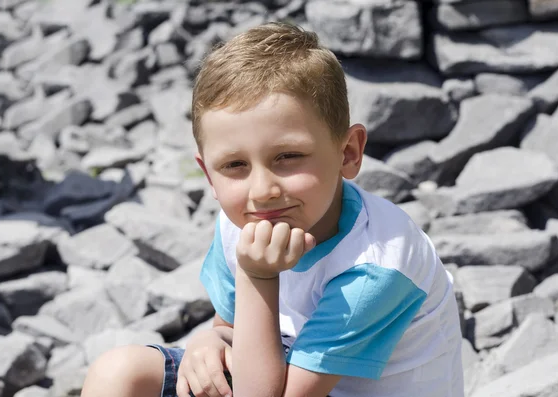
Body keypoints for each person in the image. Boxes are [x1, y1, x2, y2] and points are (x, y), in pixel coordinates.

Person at [80, 22, 464, 397]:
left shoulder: (376, 268)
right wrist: (209, 341)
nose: (262, 191)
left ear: (348, 153)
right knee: (119, 374)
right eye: (235, 166)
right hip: (274, 371)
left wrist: (258, 276)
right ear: (209, 177)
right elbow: (230, 325)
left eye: (288, 156)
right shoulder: (244, 224)